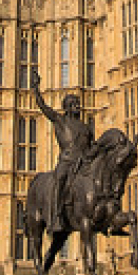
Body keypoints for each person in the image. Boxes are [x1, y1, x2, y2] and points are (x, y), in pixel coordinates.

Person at [32, 70, 93, 221]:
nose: (78, 107)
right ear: (68, 107)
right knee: (60, 179)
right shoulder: (61, 121)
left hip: (83, 164)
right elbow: (43, 107)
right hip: (67, 161)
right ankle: (57, 214)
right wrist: (35, 88)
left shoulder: (85, 127)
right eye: (74, 104)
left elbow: (93, 147)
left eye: (78, 104)